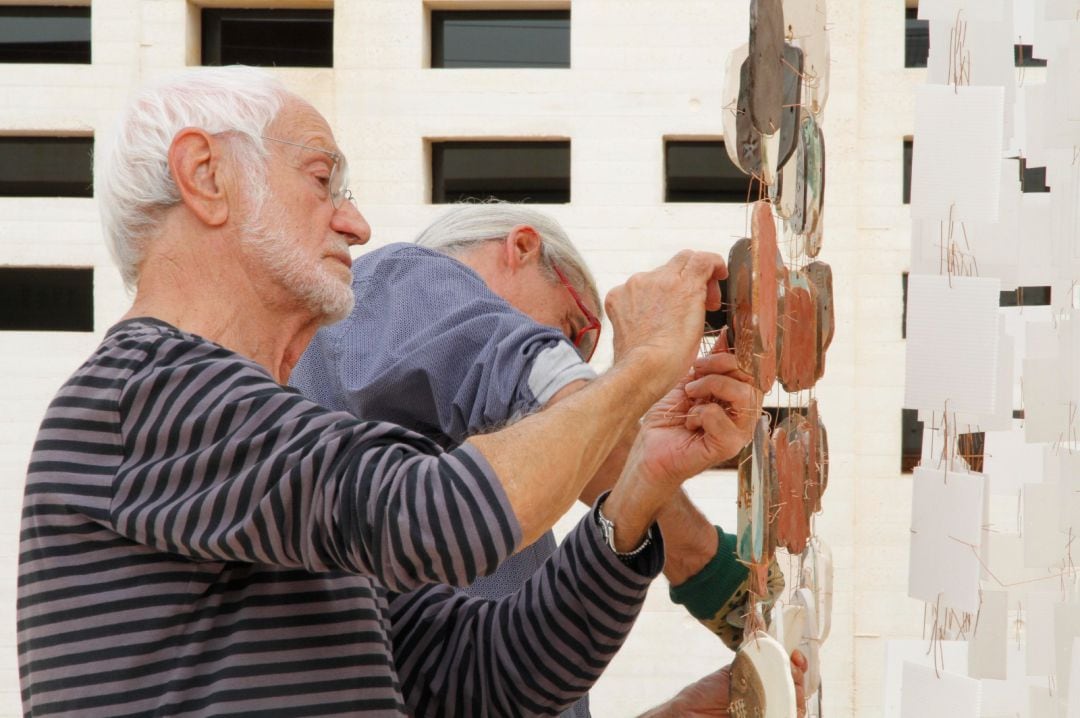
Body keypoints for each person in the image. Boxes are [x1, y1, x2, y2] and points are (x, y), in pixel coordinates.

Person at [17, 66, 762, 717]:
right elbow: (443, 515)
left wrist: (643, 479)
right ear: (205, 176)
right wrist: (637, 375)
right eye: (321, 180)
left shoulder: (259, 436)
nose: (356, 222)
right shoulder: (144, 391)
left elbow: (484, 677)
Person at [290, 204, 783, 711]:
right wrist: (714, 574)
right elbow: (555, 398)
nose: (572, 361)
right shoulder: (411, 278)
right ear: (521, 248)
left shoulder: (494, 502)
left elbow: (488, 683)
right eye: (573, 333)